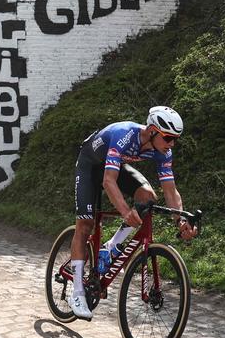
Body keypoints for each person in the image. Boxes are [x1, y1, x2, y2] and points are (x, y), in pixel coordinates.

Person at [69, 106, 197, 319]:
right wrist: (125, 211)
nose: (172, 144)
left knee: (148, 198)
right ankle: (77, 292)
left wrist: (180, 220)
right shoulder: (124, 135)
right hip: (90, 165)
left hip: (114, 165)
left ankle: (111, 246)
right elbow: (108, 181)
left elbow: (170, 190)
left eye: (175, 139)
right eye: (168, 137)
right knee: (85, 225)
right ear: (153, 131)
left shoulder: (163, 152)